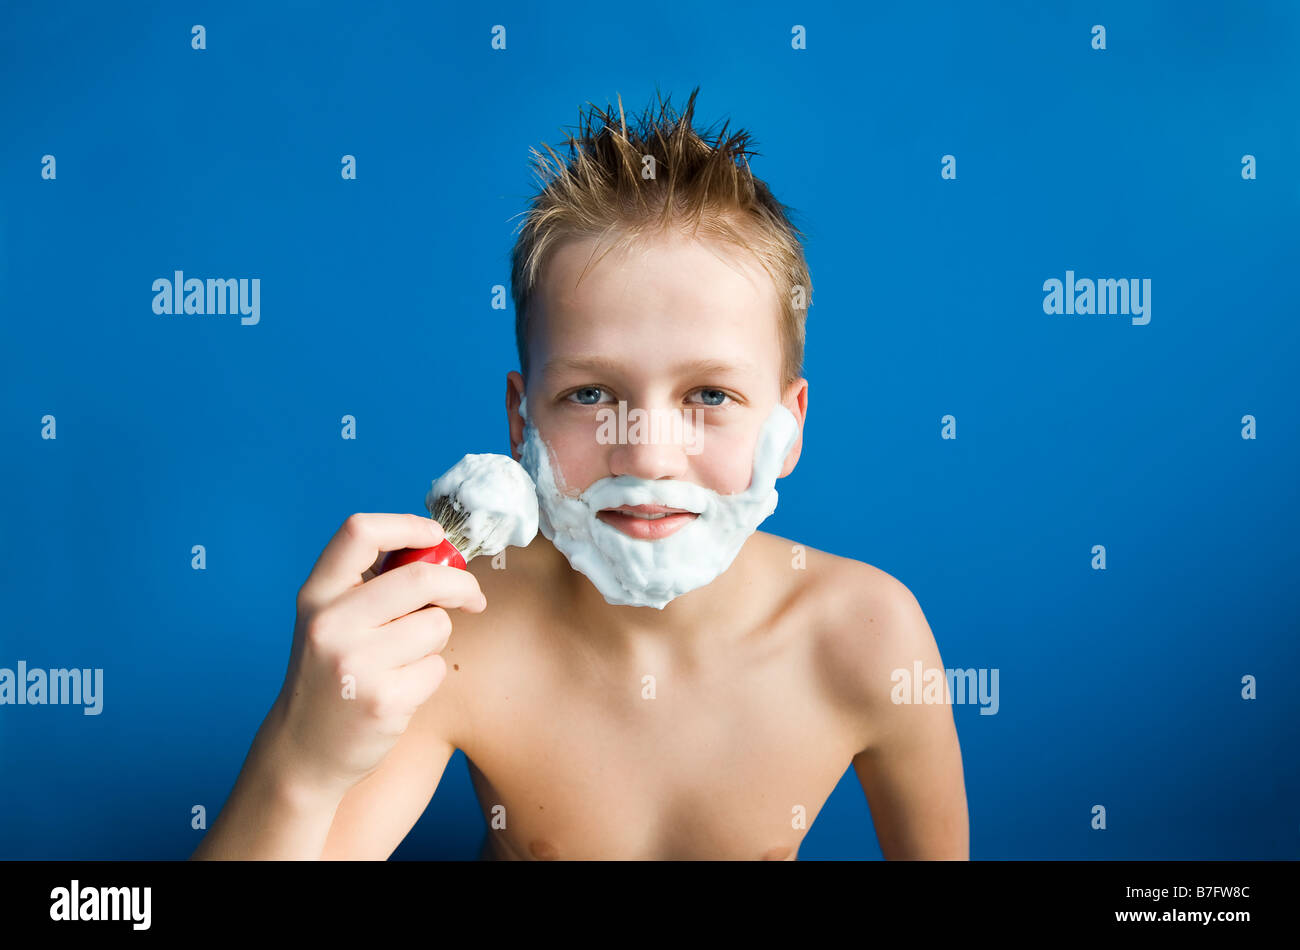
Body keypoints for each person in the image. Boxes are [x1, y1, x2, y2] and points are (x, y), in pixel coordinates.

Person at [191, 87, 968, 861]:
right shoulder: (457, 626)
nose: (649, 455)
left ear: (789, 425)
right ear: (521, 421)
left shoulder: (867, 636)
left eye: (709, 395)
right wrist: (300, 758)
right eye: (590, 394)